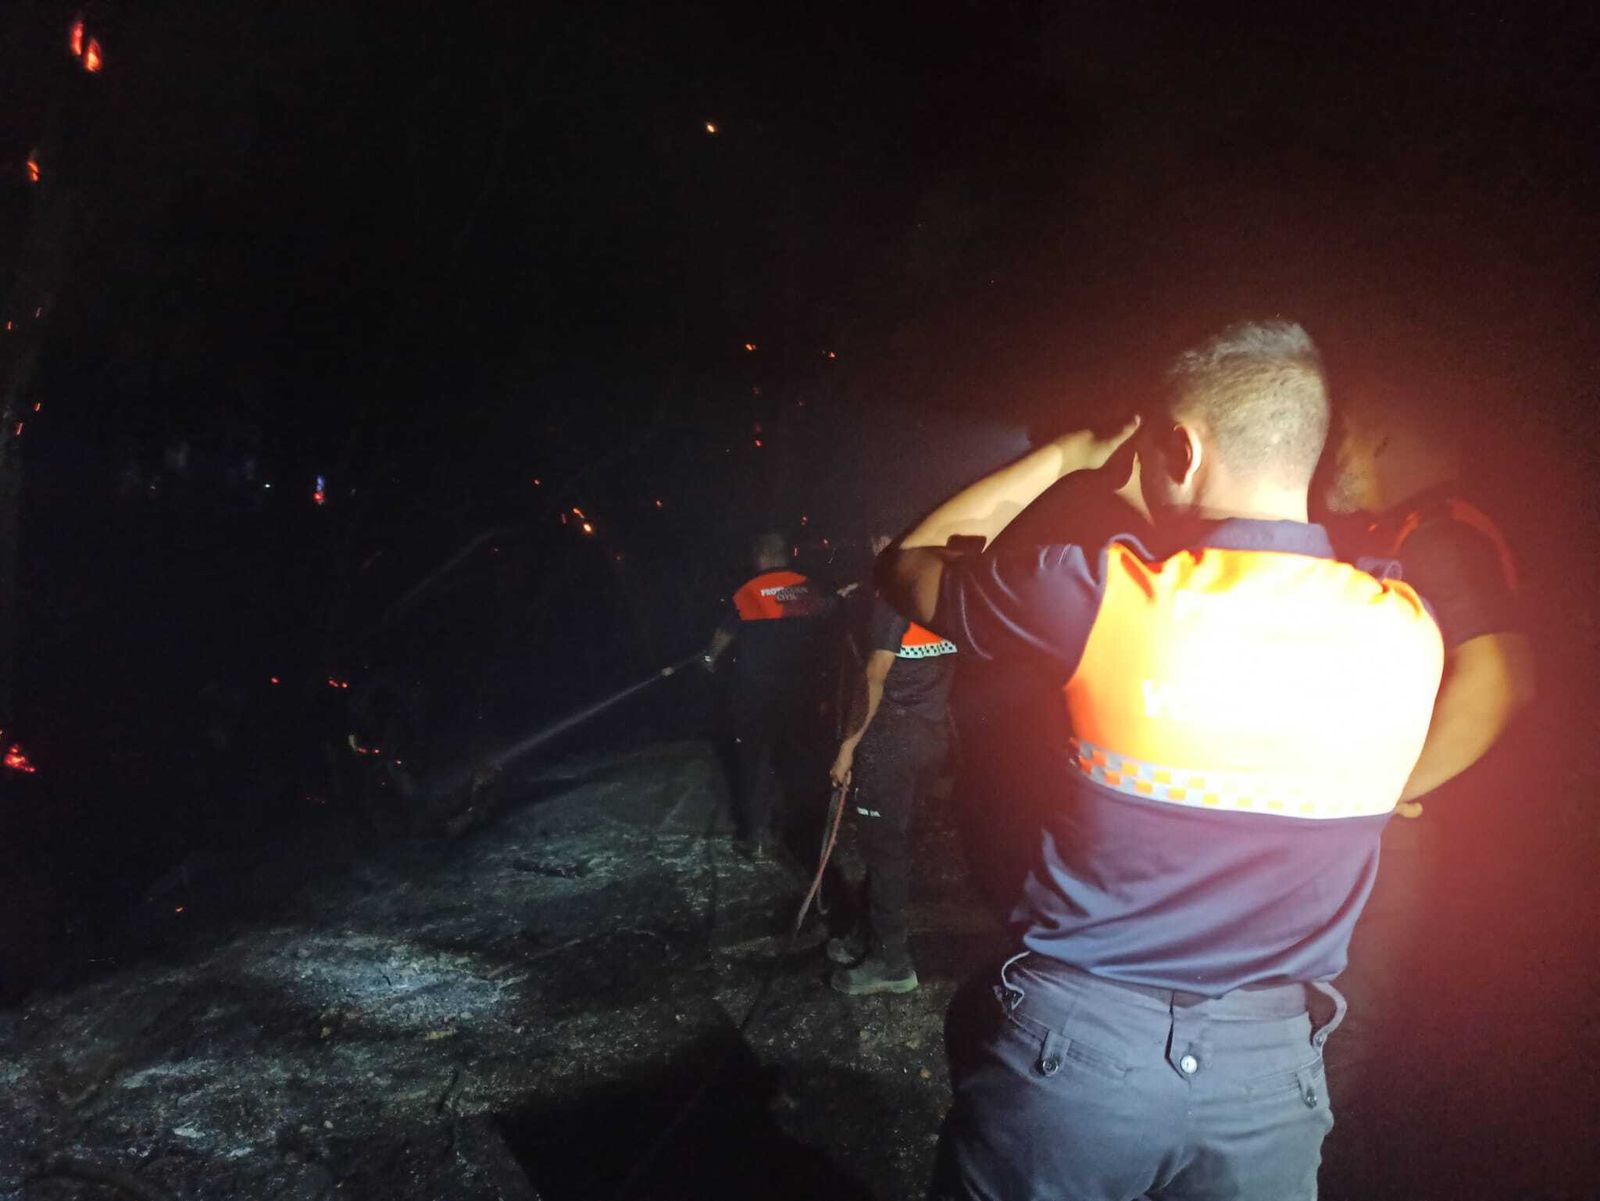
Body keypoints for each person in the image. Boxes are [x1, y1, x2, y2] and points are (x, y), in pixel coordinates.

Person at [885, 320, 1446, 1201]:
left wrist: (1071, 457)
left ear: (1180, 446)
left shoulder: (1096, 593)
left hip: (1076, 1057)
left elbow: (907, 563)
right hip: (1270, 1080)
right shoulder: (1410, 627)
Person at [1316, 382, 1534, 1197]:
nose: (1328, 455)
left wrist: (1375, 796)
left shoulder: (1441, 535)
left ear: (1379, 434)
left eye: (1341, 437)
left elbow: (1503, 681)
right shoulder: (1403, 531)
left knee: (1351, 1034)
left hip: (1405, 841)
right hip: (1389, 838)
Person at [826, 536, 957, 996]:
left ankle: (893, 963)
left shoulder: (890, 607)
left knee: (886, 854)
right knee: (895, 846)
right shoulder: (944, 603)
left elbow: (874, 680)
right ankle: (871, 935)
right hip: (931, 741)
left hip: (891, 748)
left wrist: (846, 748)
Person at [703, 531, 834, 856]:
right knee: (799, 761)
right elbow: (827, 619)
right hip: (800, 693)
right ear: (785, 556)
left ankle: (758, 836)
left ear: (761, 557)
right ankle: (802, 833)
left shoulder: (748, 591)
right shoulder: (806, 586)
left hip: (754, 695)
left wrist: (708, 659)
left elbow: (723, 636)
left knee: (754, 761)